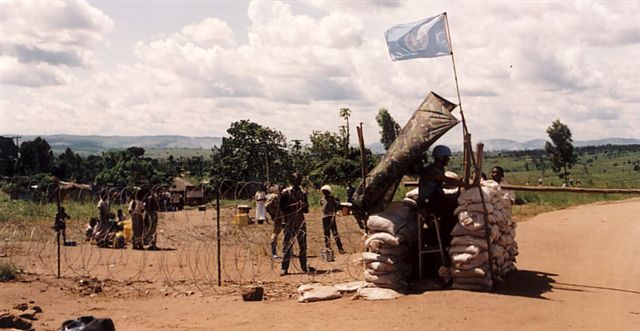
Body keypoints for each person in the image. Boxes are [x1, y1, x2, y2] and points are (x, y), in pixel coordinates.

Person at [418, 145, 465, 246]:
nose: (448, 159)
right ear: (440, 157)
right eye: (446, 157)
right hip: (428, 203)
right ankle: (446, 240)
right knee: (451, 213)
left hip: (434, 200)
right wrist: (465, 184)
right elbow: (446, 180)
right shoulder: (433, 171)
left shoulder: (438, 169)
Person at [279, 173, 313, 276]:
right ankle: (284, 268)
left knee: (303, 245)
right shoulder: (285, 193)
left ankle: (303, 266)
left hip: (300, 221)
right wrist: (293, 206)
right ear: (291, 180)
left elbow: (306, 209)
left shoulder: (303, 193)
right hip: (289, 221)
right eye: (296, 179)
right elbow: (282, 208)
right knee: (287, 245)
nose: (298, 181)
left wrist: (303, 205)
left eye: (299, 180)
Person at [320, 185, 345, 255]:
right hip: (324, 217)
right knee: (326, 233)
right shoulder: (322, 199)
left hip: (331, 217)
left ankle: (340, 249)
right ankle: (328, 248)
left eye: (325, 191)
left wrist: (334, 212)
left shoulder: (332, 198)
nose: (324, 193)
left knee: (335, 232)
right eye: (323, 191)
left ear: (328, 192)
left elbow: (337, 206)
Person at [265, 185, 283, 259]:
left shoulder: (283, 196)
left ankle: (289, 251)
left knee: (288, 234)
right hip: (278, 218)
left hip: (285, 217)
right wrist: (273, 215)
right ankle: (273, 252)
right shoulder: (275, 197)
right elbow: (267, 206)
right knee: (276, 233)